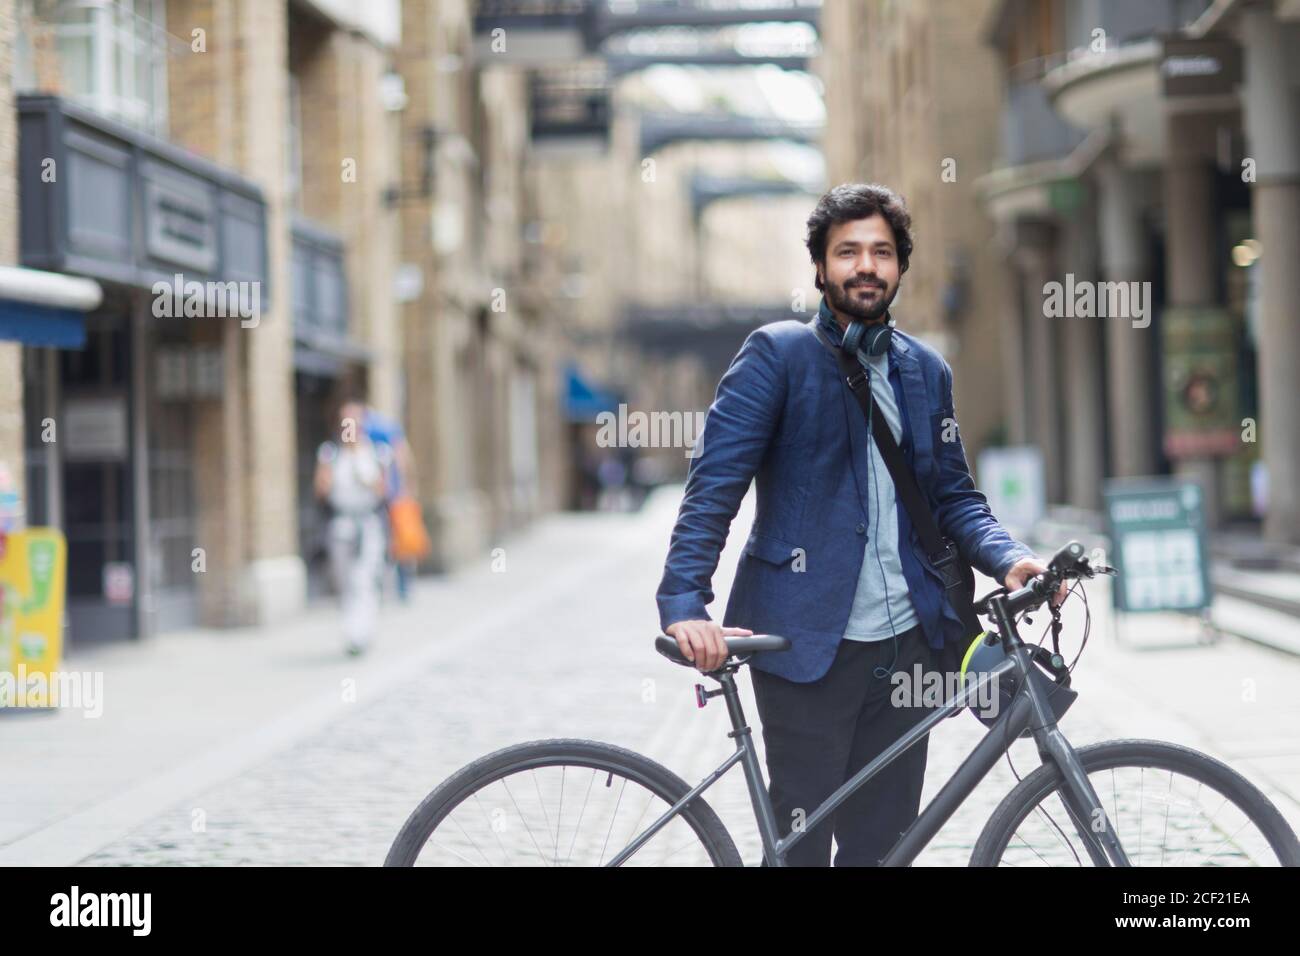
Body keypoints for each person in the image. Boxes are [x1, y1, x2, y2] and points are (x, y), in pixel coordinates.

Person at [656, 183, 1067, 866]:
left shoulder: (926, 371)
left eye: (881, 251)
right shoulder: (777, 357)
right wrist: (684, 603)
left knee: (884, 848)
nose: (865, 266)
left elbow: (954, 497)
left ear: (901, 266)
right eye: (847, 252)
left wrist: (1009, 559)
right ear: (820, 268)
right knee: (802, 847)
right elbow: (712, 491)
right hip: (804, 644)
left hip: (909, 647)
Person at [314, 400, 389, 656]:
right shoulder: (331, 452)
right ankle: (351, 631)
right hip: (342, 524)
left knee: (365, 578)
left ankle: (362, 631)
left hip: (368, 523)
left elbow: (382, 490)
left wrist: (365, 478)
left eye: (356, 422)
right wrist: (330, 477)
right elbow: (321, 490)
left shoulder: (376, 452)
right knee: (344, 580)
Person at [361, 407, 417, 602]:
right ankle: (401, 587)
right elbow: (404, 457)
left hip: (384, 496)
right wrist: (407, 487)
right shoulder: (387, 426)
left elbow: (402, 458)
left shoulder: (367, 428)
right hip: (391, 494)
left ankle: (387, 586)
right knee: (396, 540)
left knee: (390, 539)